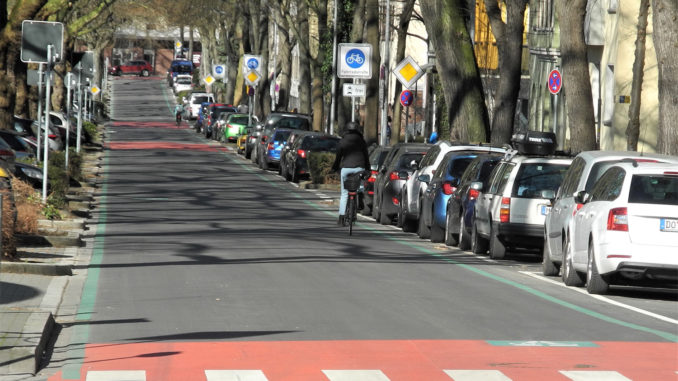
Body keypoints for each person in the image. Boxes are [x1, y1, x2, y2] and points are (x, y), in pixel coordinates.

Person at [332, 121, 370, 226]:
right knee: (359, 185)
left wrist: (335, 168)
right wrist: (368, 169)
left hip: (346, 168)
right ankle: (360, 197)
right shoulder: (362, 141)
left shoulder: (342, 141)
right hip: (359, 168)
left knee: (344, 194)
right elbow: (366, 157)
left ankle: (341, 218)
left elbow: (338, 157)